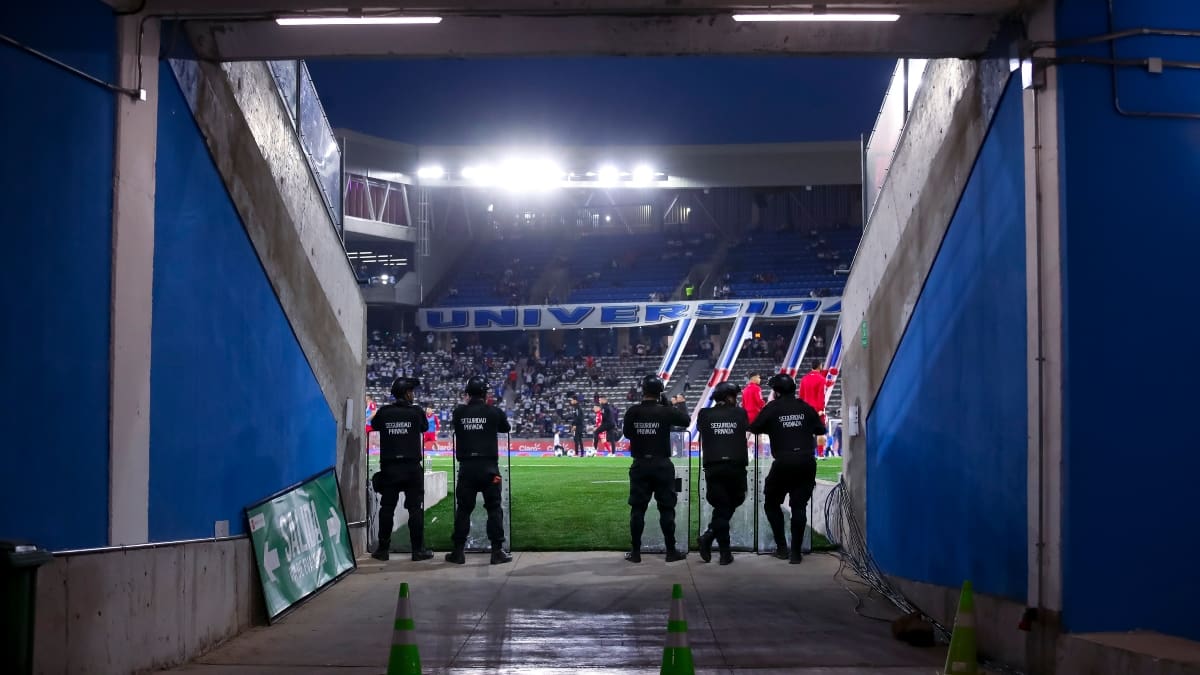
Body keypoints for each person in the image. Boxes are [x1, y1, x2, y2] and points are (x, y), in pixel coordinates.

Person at [749, 373, 827, 564]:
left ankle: (782, 547)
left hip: (783, 462)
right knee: (799, 507)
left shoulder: (772, 408)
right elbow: (821, 430)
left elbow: (755, 427)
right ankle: (796, 553)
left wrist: (775, 428)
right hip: (806, 462)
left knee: (771, 503)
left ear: (776, 392)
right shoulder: (805, 407)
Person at [622, 375, 691, 563]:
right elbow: (686, 420)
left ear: (643, 390)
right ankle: (671, 551)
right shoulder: (665, 411)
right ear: (660, 392)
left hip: (640, 464)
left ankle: (635, 552)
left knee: (637, 510)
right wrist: (669, 405)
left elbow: (627, 433)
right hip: (662, 465)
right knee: (667, 509)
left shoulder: (633, 411)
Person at [448, 376, 513, 565]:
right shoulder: (494, 412)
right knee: (494, 508)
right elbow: (505, 428)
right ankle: (497, 551)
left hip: (466, 470)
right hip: (490, 470)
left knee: (463, 510)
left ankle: (458, 552)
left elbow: (456, 426)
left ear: (467, 394)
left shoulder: (459, 412)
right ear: (485, 394)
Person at [369, 378, 433, 562]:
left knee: (387, 508)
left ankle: (382, 550)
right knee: (415, 509)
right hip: (412, 468)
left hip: (389, 469)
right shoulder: (416, 411)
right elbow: (424, 427)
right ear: (406, 393)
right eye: (411, 391)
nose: (413, 395)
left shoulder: (384, 412)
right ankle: (417, 550)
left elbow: (374, 425)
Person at [696, 381, 750, 565]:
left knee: (721, 507)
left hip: (714, 468)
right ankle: (723, 551)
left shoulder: (704, 414)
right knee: (728, 505)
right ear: (729, 397)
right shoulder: (740, 413)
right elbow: (745, 426)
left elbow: (701, 429)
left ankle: (711, 538)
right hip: (736, 468)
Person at [799, 362, 828, 458]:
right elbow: (821, 396)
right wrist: (820, 409)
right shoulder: (821, 379)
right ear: (820, 366)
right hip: (817, 409)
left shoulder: (804, 379)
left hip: (805, 409)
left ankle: (807, 452)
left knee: (807, 432)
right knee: (820, 432)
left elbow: (801, 396)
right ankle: (820, 454)